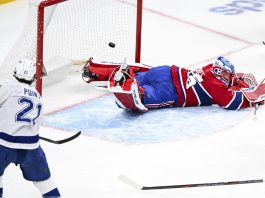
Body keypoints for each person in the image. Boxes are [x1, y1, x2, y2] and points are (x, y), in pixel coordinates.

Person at [82, 56, 264, 112]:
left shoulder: (209, 68)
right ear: (220, 72)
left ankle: (100, 71)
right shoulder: (215, 85)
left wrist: (236, 81)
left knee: (142, 74)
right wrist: (256, 96)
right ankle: (129, 92)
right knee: (147, 95)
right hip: (172, 91)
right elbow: (232, 102)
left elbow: (230, 81)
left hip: (166, 71)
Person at [0, 59, 60, 197]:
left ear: (15, 72)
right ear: (33, 77)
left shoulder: (6, 85)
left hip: (3, 144)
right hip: (31, 147)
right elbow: (38, 123)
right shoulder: (36, 95)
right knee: (45, 183)